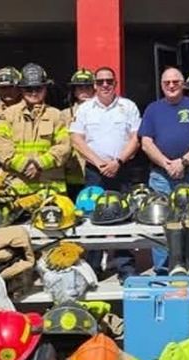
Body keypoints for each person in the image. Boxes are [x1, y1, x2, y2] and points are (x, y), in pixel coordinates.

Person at [70, 66, 142, 282]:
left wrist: (118, 161)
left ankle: (125, 267)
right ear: (94, 84)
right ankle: (93, 268)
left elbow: (135, 138)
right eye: (100, 81)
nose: (105, 85)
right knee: (92, 217)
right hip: (95, 171)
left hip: (122, 168)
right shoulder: (85, 109)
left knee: (124, 218)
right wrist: (99, 162)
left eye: (109, 81)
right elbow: (76, 139)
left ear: (115, 83)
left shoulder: (128, 106)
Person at [139, 67, 189, 275]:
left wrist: (183, 162)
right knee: (161, 224)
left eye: (175, 82)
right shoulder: (153, 109)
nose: (171, 85)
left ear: (183, 84)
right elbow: (146, 143)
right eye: (167, 82)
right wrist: (167, 164)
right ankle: (163, 270)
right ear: (161, 85)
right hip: (161, 177)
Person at [0, 63, 71, 197]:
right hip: (16, 188)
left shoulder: (56, 115)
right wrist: (24, 165)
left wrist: (38, 164)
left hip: (50, 189)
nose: (34, 93)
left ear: (45, 89)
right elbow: (2, 147)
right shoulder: (8, 115)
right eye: (29, 89)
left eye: (38, 88)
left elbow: (64, 147)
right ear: (21, 90)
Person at [62, 68, 96, 200]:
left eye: (88, 87)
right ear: (74, 91)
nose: (84, 91)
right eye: (80, 87)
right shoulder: (64, 114)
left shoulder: (102, 112)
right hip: (73, 172)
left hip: (96, 171)